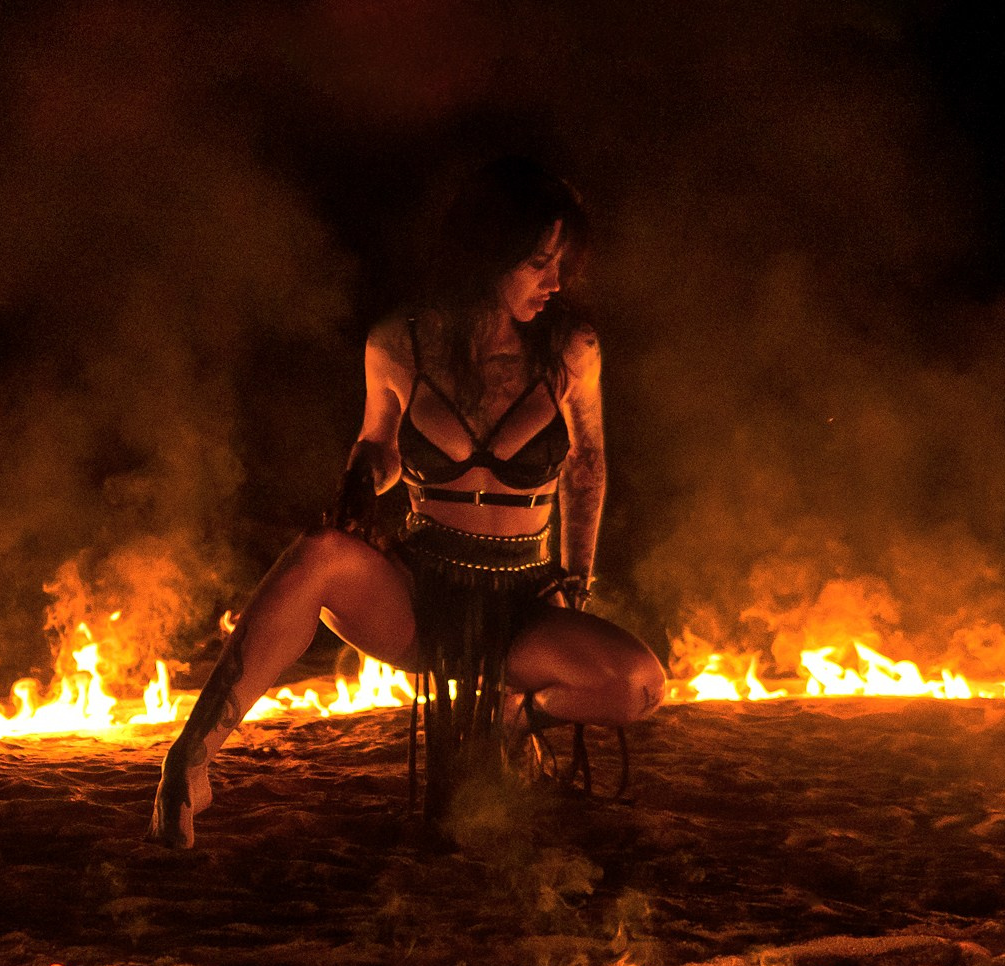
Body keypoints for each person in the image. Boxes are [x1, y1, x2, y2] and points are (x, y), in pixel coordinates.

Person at [151, 157, 665, 848]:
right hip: (422, 593)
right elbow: (381, 447)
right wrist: (362, 481)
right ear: (488, 254)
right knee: (320, 555)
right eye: (538, 262)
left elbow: (588, 467)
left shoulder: (572, 350)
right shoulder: (399, 344)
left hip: (521, 605)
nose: (555, 281)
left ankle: (513, 720)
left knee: (638, 682)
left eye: (562, 262)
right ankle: (192, 755)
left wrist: (575, 580)